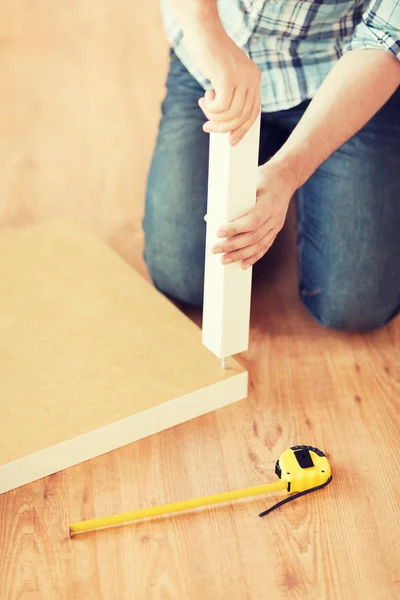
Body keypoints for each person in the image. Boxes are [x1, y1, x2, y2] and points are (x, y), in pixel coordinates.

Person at [142, 0, 400, 331]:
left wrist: (289, 171)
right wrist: (204, 32)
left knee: (355, 304)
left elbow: (387, 35)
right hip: (216, 40)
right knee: (182, 276)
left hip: (343, 66)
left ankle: (291, 161)